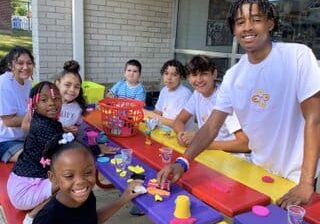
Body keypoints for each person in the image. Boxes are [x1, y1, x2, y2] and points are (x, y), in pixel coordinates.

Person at [157, 0, 320, 208]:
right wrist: (183, 162)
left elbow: (314, 120)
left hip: (297, 176)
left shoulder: (297, 56)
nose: (248, 27)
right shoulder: (234, 76)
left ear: (270, 23)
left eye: (257, 20)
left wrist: (306, 183)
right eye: (240, 22)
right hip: (258, 170)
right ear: (234, 29)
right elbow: (211, 126)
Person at [32, 133, 144, 224]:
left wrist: (124, 199)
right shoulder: (48, 219)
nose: (81, 181)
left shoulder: (87, 196)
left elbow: (92, 220)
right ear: (53, 177)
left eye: (87, 172)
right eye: (69, 176)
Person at [7, 81, 63, 223]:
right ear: (34, 104)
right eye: (44, 100)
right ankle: (32, 216)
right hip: (25, 191)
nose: (52, 103)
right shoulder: (42, 127)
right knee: (71, 180)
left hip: (22, 182)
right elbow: (66, 151)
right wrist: (97, 149)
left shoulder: (44, 121)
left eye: (56, 98)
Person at [173, 55, 249, 154]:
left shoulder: (225, 98)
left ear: (214, 74)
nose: (199, 80)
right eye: (194, 75)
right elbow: (179, 120)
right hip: (211, 155)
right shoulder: (197, 94)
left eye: (204, 74)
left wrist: (200, 142)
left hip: (233, 160)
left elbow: (245, 144)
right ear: (188, 78)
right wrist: (181, 134)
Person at [0, 46, 34, 162]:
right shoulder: (3, 83)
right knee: (36, 158)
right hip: (5, 141)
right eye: (20, 63)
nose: (25, 67)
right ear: (10, 65)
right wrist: (38, 120)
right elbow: (9, 121)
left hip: (24, 138)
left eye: (29, 63)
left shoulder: (28, 83)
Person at [143, 59, 195, 130]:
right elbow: (158, 111)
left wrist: (150, 114)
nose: (169, 78)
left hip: (180, 135)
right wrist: (147, 115)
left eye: (174, 75)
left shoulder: (185, 94)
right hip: (165, 131)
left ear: (181, 77)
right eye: (166, 73)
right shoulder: (164, 90)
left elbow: (176, 123)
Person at [55, 60, 86, 134]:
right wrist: (61, 129)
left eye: (76, 87)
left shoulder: (78, 108)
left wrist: (76, 129)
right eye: (67, 85)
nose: (72, 90)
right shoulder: (48, 103)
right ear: (57, 83)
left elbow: (80, 125)